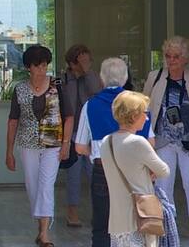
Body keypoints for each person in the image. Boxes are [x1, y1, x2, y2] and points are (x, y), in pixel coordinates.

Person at [74, 57, 162, 247]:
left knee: (102, 226)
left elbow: (80, 147)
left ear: (101, 79)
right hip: (135, 172)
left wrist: (94, 154)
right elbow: (151, 141)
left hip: (102, 171)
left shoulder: (90, 106)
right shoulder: (138, 104)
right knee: (136, 224)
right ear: (125, 77)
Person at [143, 36, 189, 244]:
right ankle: (168, 228)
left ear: (185, 59)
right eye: (168, 56)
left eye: (176, 56)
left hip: (188, 140)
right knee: (163, 184)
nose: (171, 60)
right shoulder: (155, 77)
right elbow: (144, 108)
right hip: (162, 140)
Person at [6, 45, 70, 247]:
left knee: (46, 185)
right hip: (27, 143)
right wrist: (9, 151)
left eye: (45, 64)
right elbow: (13, 121)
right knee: (32, 185)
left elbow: (69, 115)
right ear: (29, 67)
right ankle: (40, 224)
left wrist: (66, 143)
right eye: (38, 65)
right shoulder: (20, 89)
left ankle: (44, 234)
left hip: (54, 143)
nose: (42, 69)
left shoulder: (58, 84)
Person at [58, 44, 101, 228]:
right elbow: (67, 102)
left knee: (95, 175)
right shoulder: (64, 80)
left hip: (92, 133)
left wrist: (87, 72)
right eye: (81, 60)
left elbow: (97, 92)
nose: (85, 63)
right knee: (73, 176)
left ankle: (99, 212)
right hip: (72, 133)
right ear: (72, 62)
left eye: (87, 60)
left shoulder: (92, 77)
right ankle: (72, 212)